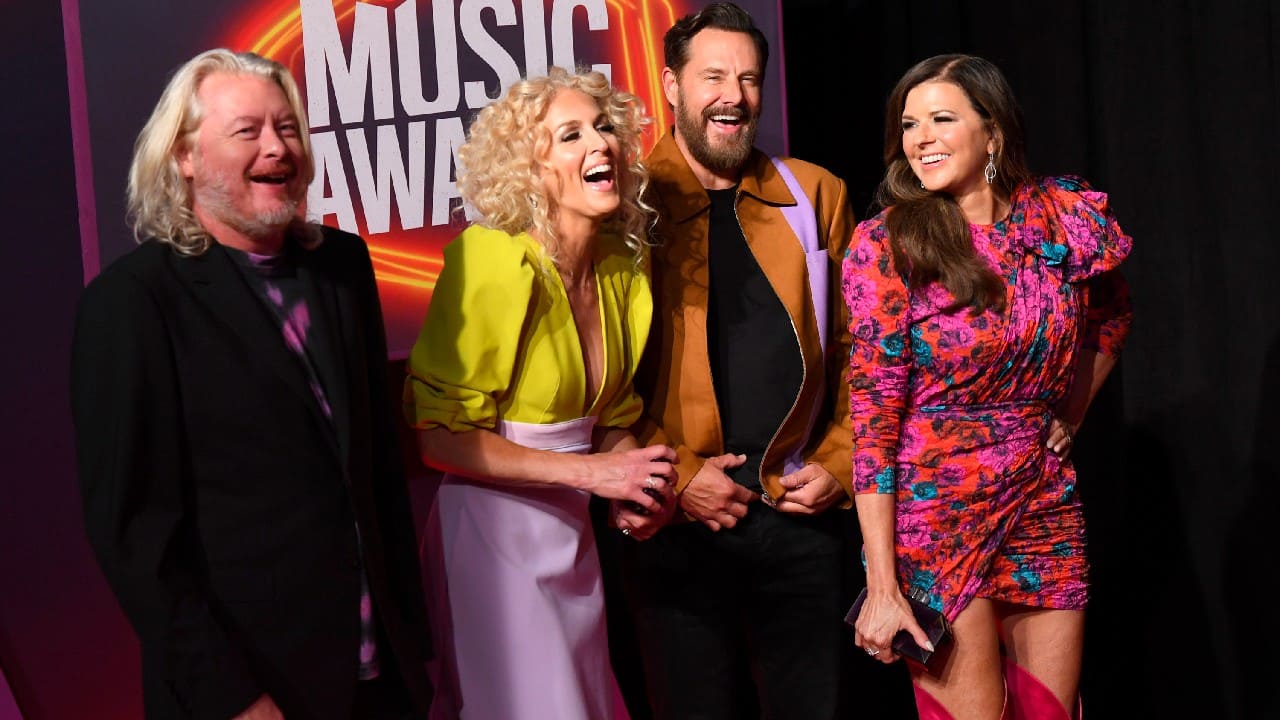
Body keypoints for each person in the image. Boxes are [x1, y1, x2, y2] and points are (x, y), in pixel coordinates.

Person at [69, 50, 433, 719]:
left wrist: (416, 652)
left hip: (378, 680)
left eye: (287, 127)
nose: (277, 148)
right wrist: (234, 699)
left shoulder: (343, 266)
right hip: (249, 692)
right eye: (248, 131)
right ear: (184, 155)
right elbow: (136, 537)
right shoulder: (132, 303)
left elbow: (377, 471)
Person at [842, 53, 1134, 720]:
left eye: (942, 119)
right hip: (935, 513)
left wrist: (1072, 412)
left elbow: (1112, 316)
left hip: (1040, 497)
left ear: (993, 131)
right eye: (909, 124)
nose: (921, 138)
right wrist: (882, 585)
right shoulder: (888, 245)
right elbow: (873, 427)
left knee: (1051, 713)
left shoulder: (1059, 218)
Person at [402, 66, 677, 720]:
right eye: (571, 135)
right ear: (531, 168)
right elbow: (440, 440)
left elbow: (608, 418)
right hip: (492, 542)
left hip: (571, 538)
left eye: (604, 128)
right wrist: (595, 474)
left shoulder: (619, 268)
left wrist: (637, 487)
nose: (600, 144)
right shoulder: (493, 259)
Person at [618, 4, 859, 718]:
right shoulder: (622, 203)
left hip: (801, 516)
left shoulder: (816, 194)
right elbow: (593, 381)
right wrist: (679, 476)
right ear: (671, 85)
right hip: (676, 522)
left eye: (749, 79)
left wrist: (841, 462)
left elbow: (862, 352)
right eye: (714, 76)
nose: (734, 96)